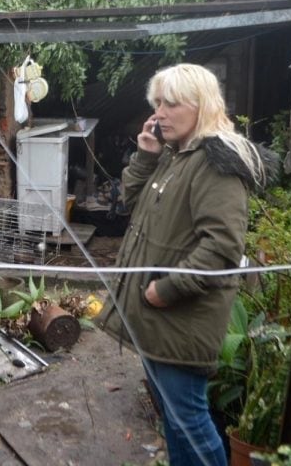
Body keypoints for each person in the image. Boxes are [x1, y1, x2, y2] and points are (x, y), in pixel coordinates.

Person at [96, 63, 275, 465]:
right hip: (157, 318)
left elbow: (222, 248)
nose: (159, 112)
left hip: (179, 317)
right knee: (174, 419)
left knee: (188, 420)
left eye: (171, 104)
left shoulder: (216, 162)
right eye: (157, 103)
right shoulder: (178, 154)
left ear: (202, 106)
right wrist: (146, 156)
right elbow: (130, 203)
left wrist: (164, 290)